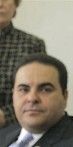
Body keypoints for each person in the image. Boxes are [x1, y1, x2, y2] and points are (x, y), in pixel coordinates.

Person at [0, 54, 73, 147]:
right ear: (13, 94)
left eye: (45, 89)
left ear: (64, 97)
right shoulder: (3, 134)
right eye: (23, 89)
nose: (32, 98)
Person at [0, 0, 46, 128]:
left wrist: (5, 116)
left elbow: (40, 93)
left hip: (14, 126)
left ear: (15, 4)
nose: (0, 4)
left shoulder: (32, 44)